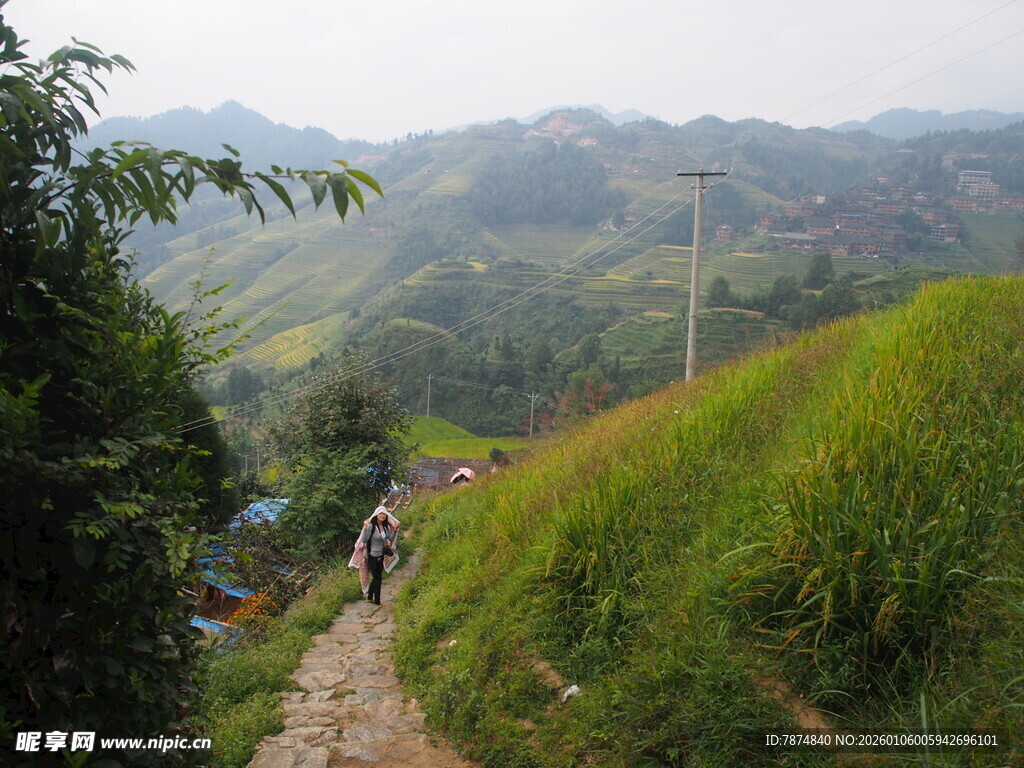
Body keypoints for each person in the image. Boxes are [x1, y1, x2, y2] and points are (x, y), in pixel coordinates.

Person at [359, 507, 398, 605]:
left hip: (381, 555)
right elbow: (363, 540)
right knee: (378, 578)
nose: (382, 516)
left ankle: (369, 597)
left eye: (384, 514)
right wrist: (365, 528)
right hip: (373, 556)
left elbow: (390, 538)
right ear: (376, 514)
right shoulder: (371, 526)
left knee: (377, 577)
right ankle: (377, 601)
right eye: (380, 514)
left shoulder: (384, 527)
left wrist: (395, 529)